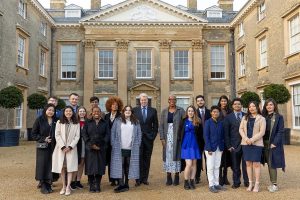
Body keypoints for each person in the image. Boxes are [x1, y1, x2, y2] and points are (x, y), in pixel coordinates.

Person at [110, 106, 142, 193]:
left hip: (131, 148)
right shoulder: (118, 121)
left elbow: (139, 134)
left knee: (128, 165)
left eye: (129, 110)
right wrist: (113, 143)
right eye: (126, 110)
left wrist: (138, 144)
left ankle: (126, 184)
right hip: (119, 147)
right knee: (120, 165)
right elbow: (113, 132)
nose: (128, 111)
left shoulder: (136, 122)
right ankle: (121, 184)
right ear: (123, 112)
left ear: (131, 112)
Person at [52, 106, 80, 196]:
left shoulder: (76, 123)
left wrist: (70, 147)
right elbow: (57, 135)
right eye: (67, 111)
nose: (68, 112)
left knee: (70, 168)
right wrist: (63, 146)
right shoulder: (60, 122)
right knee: (62, 168)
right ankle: (63, 186)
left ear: (73, 112)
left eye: (70, 111)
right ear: (64, 112)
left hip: (71, 149)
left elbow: (77, 136)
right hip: (61, 149)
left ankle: (68, 187)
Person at [82, 106, 110, 192]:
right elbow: (84, 134)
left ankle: (97, 185)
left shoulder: (105, 122)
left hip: (101, 148)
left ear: (101, 113)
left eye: (98, 111)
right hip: (90, 149)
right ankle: (91, 185)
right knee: (90, 168)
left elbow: (107, 135)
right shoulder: (87, 122)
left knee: (100, 167)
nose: (96, 113)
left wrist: (101, 145)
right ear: (92, 112)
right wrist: (91, 144)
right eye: (94, 111)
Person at [240, 101, 266, 192]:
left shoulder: (262, 118)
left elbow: (262, 132)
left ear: (257, 107)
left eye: (253, 106)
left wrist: (252, 139)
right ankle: (251, 183)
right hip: (245, 143)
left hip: (257, 144)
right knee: (248, 164)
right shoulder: (244, 117)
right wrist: (246, 138)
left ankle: (257, 184)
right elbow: (241, 129)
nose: (251, 108)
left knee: (256, 164)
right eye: (250, 106)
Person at [132, 93, 158, 186]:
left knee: (147, 159)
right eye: (142, 100)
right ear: (140, 101)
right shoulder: (134, 110)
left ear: (147, 100)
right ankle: (137, 180)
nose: (143, 101)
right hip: (137, 139)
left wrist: (152, 137)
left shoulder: (153, 111)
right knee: (138, 158)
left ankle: (144, 179)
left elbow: (155, 126)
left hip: (148, 139)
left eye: (145, 100)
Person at [159, 95, 185, 186]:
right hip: (167, 136)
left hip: (177, 136)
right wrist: (162, 138)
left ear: (176, 101)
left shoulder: (181, 110)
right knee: (168, 156)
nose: (172, 101)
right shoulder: (164, 111)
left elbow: (184, 124)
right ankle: (168, 176)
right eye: (170, 99)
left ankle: (177, 176)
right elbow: (161, 125)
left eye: (174, 99)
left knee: (177, 155)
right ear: (168, 101)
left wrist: (182, 136)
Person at [224, 98, 249, 189]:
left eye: (239, 104)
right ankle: (236, 182)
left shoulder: (246, 116)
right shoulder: (228, 117)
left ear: (241, 105)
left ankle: (247, 182)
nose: (237, 105)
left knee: (246, 165)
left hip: (246, 144)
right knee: (235, 166)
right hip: (234, 146)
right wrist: (229, 146)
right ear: (232, 106)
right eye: (235, 104)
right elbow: (226, 133)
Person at [32, 104, 57, 194]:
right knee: (43, 165)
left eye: (53, 110)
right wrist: (44, 139)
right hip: (42, 147)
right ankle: (43, 184)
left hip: (54, 147)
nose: (51, 112)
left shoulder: (56, 120)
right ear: (45, 110)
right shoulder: (39, 120)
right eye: (49, 110)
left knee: (51, 165)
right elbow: (33, 134)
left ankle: (48, 183)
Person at [262, 98, 285, 192]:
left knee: (272, 163)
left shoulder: (279, 117)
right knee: (268, 163)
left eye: (271, 104)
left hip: (273, 144)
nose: (269, 106)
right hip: (263, 143)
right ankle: (272, 183)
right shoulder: (263, 117)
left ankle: (274, 184)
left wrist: (275, 143)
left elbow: (280, 131)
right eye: (267, 105)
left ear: (274, 106)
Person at [204, 106, 226, 193]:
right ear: (211, 113)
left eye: (217, 112)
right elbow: (206, 136)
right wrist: (209, 148)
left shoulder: (221, 123)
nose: (215, 113)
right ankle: (211, 185)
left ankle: (217, 184)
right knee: (210, 167)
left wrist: (222, 147)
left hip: (219, 148)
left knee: (217, 166)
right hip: (210, 148)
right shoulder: (208, 122)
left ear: (219, 113)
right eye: (213, 112)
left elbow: (222, 136)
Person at [180, 105, 201, 190]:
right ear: (187, 112)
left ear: (194, 112)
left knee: (194, 164)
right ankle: (186, 181)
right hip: (186, 145)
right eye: (189, 111)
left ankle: (192, 181)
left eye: (192, 111)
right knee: (188, 164)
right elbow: (179, 133)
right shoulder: (183, 121)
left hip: (195, 145)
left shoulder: (197, 121)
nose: (190, 112)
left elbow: (200, 135)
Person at [104, 96, 124, 186]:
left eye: (116, 105)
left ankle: (118, 179)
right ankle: (112, 179)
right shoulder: (106, 116)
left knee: (118, 160)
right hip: (108, 142)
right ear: (109, 106)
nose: (114, 106)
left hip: (118, 141)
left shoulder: (121, 116)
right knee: (110, 160)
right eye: (113, 105)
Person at [70, 106, 87, 190]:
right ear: (77, 112)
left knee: (81, 164)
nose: (82, 113)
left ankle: (78, 181)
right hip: (76, 144)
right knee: (75, 163)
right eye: (80, 111)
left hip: (84, 144)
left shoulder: (88, 122)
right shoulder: (74, 122)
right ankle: (72, 181)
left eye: (83, 111)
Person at [195, 95, 211, 184]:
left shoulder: (209, 112)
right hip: (198, 139)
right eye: (198, 101)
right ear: (196, 103)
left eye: (201, 100)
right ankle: (197, 176)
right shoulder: (195, 113)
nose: (200, 102)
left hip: (208, 139)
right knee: (198, 158)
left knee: (208, 158)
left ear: (204, 101)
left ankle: (209, 177)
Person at [217, 95, 232, 186]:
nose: (223, 103)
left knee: (226, 159)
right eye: (222, 101)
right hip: (219, 137)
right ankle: (220, 178)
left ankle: (225, 177)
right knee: (219, 159)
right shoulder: (217, 111)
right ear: (220, 102)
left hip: (228, 137)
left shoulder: (230, 111)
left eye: (225, 101)